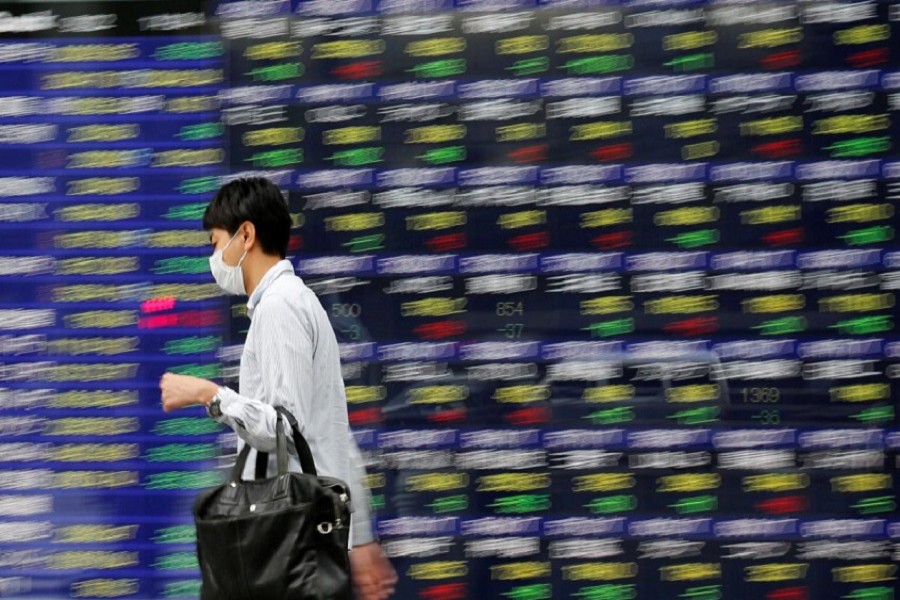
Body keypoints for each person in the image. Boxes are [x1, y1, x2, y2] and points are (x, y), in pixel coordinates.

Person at [158, 177, 396, 600]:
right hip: (302, 538)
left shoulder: (280, 307)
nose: (214, 257)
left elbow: (284, 429)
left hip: (288, 541)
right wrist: (361, 537)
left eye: (215, 242)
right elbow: (334, 437)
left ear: (245, 235)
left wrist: (209, 395)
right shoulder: (292, 301)